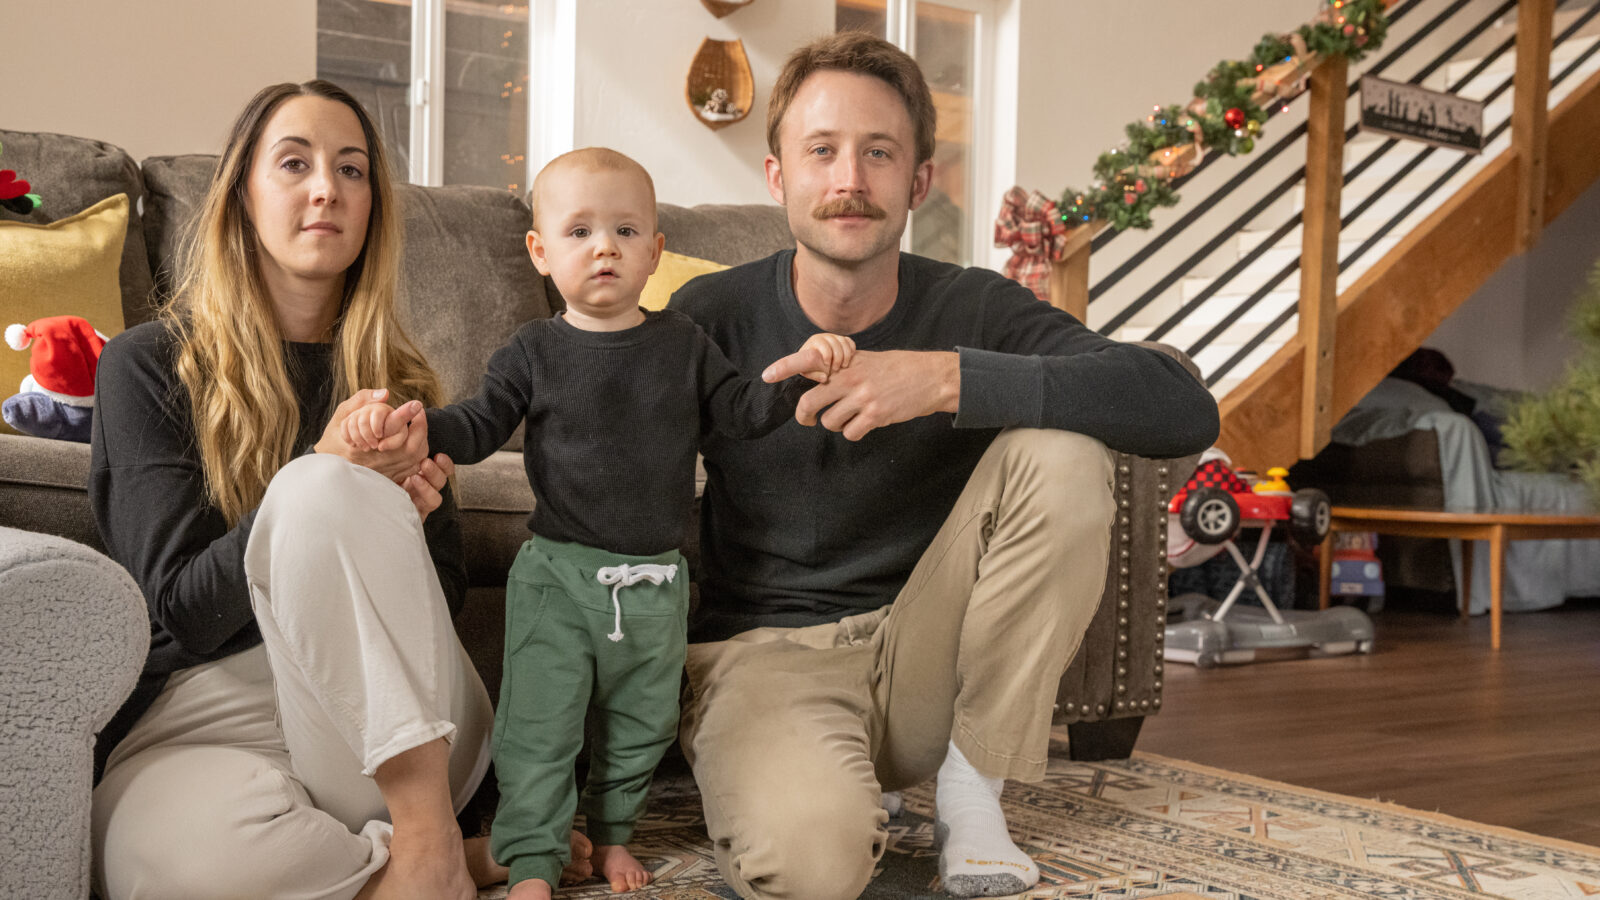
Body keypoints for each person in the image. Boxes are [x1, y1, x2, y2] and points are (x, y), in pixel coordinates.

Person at [664, 32, 1221, 900]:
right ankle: (819, 782)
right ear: (778, 179)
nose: (850, 178)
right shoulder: (711, 314)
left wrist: (945, 377)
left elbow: (1178, 404)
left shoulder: (972, 305)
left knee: (1061, 451)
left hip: (927, 657)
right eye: (822, 151)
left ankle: (972, 791)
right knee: (812, 870)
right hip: (765, 658)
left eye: (879, 153)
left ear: (919, 180)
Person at [86, 80, 585, 900]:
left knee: (326, 491)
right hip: (205, 717)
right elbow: (179, 606)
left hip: (383, 736)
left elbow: (444, 602)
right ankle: (438, 863)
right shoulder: (145, 366)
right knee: (157, 866)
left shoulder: (400, 386)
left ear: (372, 207)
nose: (328, 188)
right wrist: (318, 480)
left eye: (352, 170)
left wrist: (403, 529)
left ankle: (422, 843)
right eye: (295, 164)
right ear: (242, 198)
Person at [340, 147, 855, 900]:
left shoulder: (683, 344)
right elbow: (481, 426)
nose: (604, 246)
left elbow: (744, 414)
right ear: (541, 253)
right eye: (579, 232)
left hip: (657, 584)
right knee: (539, 729)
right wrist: (419, 424)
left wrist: (801, 367)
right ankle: (533, 860)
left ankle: (613, 836)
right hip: (558, 578)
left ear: (655, 251)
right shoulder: (535, 349)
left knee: (639, 726)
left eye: (624, 230)